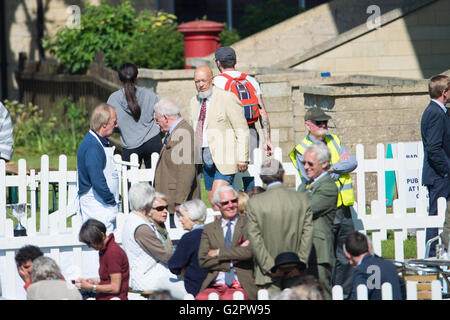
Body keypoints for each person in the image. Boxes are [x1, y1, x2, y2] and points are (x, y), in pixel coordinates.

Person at [289, 107, 357, 299]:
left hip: (343, 207)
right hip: (325, 208)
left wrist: (331, 167)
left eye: (325, 122)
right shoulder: (302, 149)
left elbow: (352, 162)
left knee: (347, 255)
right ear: (307, 125)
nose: (323, 125)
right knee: (329, 257)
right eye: (319, 123)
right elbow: (312, 177)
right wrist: (336, 168)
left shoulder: (334, 140)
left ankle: (343, 294)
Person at [246, 159, 313, 296]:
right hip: (296, 270)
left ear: (262, 179)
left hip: (269, 274)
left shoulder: (255, 203)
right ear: (283, 175)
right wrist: (300, 263)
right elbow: (308, 233)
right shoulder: (302, 199)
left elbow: (255, 238)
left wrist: (269, 265)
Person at [213, 46, 272, 191]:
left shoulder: (216, 82)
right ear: (235, 61)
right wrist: (267, 139)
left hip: (227, 133)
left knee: (226, 175)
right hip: (250, 131)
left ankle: (232, 209)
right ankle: (251, 204)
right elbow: (262, 112)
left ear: (218, 63)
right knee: (249, 173)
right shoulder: (251, 80)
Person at [189, 65, 249, 206]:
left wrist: (242, 158)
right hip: (205, 158)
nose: (200, 85)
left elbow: (241, 129)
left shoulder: (227, 98)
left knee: (218, 200)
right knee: (214, 204)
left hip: (225, 157)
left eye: (203, 80)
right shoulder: (194, 101)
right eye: (197, 81)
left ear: (213, 79)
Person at [121, 183, 187, 299]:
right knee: (188, 290)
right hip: (149, 279)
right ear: (146, 202)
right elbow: (165, 255)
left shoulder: (135, 221)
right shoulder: (141, 228)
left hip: (151, 275)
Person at [196, 185, 258, 300]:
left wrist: (218, 252)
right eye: (225, 203)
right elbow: (203, 260)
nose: (231, 205)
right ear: (217, 206)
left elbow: (249, 252)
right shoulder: (209, 229)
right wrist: (233, 258)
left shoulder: (249, 225)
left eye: (234, 201)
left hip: (240, 285)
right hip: (215, 284)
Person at [297, 143, 338, 300]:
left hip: (320, 253)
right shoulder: (305, 185)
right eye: (304, 163)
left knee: (321, 293)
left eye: (310, 163)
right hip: (304, 250)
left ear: (324, 163)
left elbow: (306, 210)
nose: (306, 167)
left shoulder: (328, 187)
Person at [153, 97, 200, 227]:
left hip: (178, 206)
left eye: (157, 119)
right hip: (173, 203)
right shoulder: (177, 131)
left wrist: (180, 202)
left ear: (166, 118)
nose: (157, 123)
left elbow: (186, 170)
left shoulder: (183, 133)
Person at [107, 62, 162, 168]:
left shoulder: (113, 99)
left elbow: (112, 125)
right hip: (153, 142)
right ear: (137, 76)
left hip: (130, 144)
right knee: (156, 181)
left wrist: (124, 128)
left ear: (120, 78)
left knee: (130, 182)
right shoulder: (150, 95)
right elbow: (161, 118)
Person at [77, 103, 120, 234]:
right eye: (114, 122)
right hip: (97, 205)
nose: (116, 125)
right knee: (100, 243)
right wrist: (111, 201)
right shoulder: (93, 146)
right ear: (104, 124)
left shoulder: (97, 142)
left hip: (101, 203)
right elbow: (97, 179)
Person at [420, 75, 450, 257]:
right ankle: (431, 256)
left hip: (441, 174)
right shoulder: (435, 113)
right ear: (444, 92)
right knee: (436, 217)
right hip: (440, 176)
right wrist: (447, 170)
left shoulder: (439, 111)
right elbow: (434, 149)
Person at [77, 219, 130, 300]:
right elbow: (108, 280)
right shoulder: (105, 250)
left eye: (90, 243)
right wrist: (94, 283)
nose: (89, 246)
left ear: (102, 235)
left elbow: (115, 287)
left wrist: (91, 287)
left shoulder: (113, 252)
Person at [344, 231, 405, 300]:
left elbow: (357, 296)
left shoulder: (362, 269)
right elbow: (402, 289)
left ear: (347, 254)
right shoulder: (389, 265)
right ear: (369, 247)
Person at [168, 199, 208, 297]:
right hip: (214, 286)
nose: (180, 219)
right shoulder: (215, 233)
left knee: (160, 284)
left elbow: (174, 266)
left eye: (182, 216)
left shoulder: (189, 238)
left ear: (192, 217)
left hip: (194, 288)